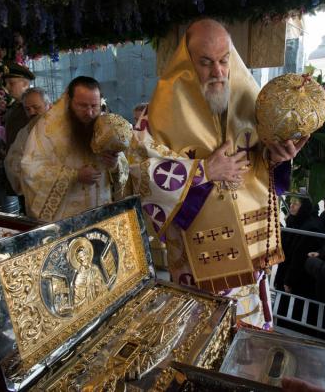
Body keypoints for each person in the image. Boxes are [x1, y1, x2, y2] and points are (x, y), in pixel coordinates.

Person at [129, 18, 306, 329]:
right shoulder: (156, 111)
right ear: (187, 62)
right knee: (203, 328)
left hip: (252, 243)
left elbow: (264, 161)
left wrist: (278, 158)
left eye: (224, 60)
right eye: (206, 63)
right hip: (200, 247)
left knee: (248, 323)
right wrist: (203, 170)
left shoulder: (253, 100)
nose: (218, 72)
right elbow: (139, 173)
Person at [20, 76, 128, 222]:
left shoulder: (107, 126)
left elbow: (123, 171)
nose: (89, 113)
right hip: (66, 220)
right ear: (69, 102)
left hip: (102, 216)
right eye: (83, 106)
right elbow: (30, 169)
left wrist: (115, 165)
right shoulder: (47, 128)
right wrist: (73, 176)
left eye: (94, 106)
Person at [4, 87, 51, 195]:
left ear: (49, 106)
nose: (32, 112)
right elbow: (11, 161)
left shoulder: (63, 128)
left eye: (36, 107)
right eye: (27, 109)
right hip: (36, 193)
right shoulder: (23, 133)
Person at [3, 62, 35, 150]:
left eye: (11, 83)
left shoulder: (34, 106)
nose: (7, 87)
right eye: (6, 83)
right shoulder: (14, 106)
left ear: (25, 84)